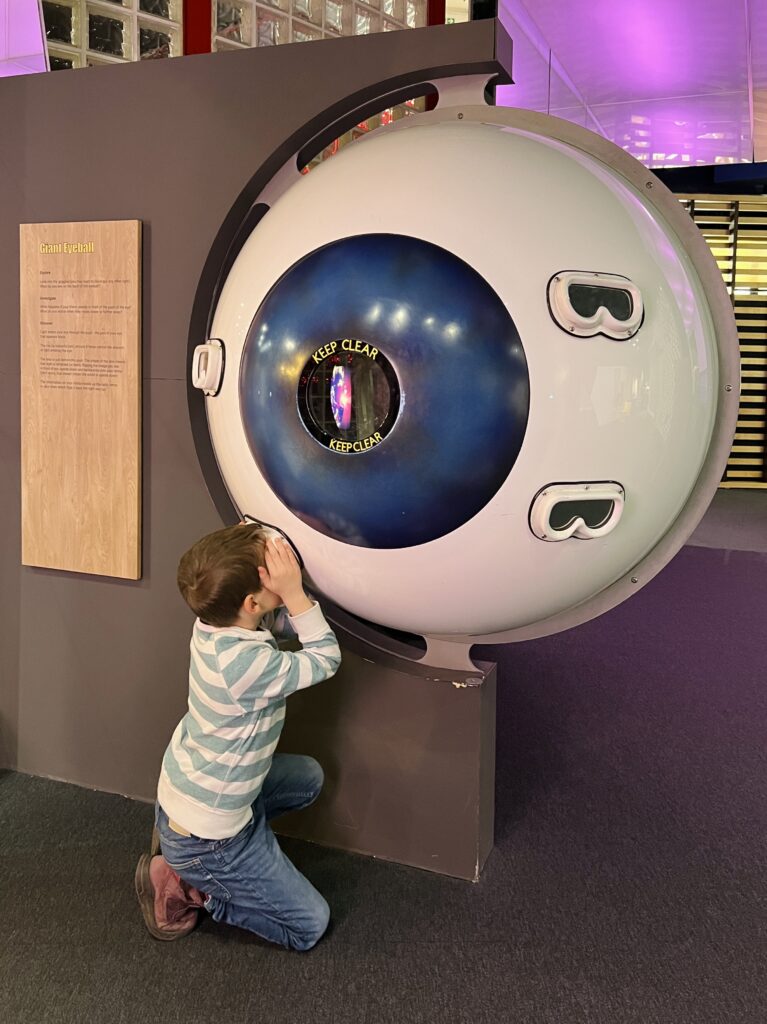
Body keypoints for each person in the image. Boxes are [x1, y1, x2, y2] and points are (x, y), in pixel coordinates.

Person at [134, 523, 341, 950]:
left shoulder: (213, 620)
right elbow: (325, 658)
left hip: (194, 789)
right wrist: (297, 594)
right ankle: (193, 888)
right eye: (270, 576)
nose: (279, 578)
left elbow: (276, 625)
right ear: (250, 602)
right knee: (309, 925)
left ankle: (185, 855)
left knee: (309, 778)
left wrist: (255, 544)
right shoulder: (245, 666)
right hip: (210, 838)